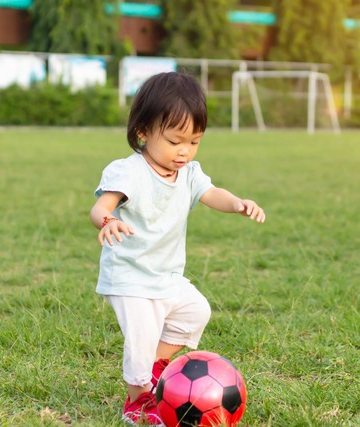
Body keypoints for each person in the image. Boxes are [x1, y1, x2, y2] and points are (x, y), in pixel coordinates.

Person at [89, 72, 266, 426]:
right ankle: (137, 401)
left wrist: (238, 203)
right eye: (175, 141)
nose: (184, 151)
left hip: (167, 276)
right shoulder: (129, 171)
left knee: (195, 311)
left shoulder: (188, 173)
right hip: (130, 278)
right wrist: (109, 221)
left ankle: (156, 367)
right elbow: (99, 208)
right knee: (139, 340)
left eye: (194, 142)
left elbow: (212, 193)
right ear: (143, 132)